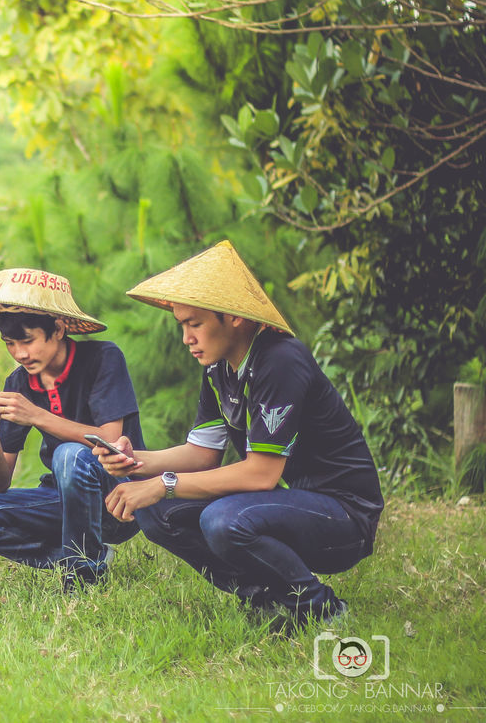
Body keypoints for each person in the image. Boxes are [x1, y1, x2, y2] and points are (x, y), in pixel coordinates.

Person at [99, 240, 384, 625]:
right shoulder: (218, 369)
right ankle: (265, 598)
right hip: (285, 505)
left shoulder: (280, 359)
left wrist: (162, 482)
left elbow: (261, 474)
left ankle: (323, 610)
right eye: (181, 325)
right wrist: (137, 463)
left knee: (222, 520)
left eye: (194, 323)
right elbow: (201, 454)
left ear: (234, 317)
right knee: (155, 510)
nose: (186, 338)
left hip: (343, 517)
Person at [0, 268, 143, 587]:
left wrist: (35, 415)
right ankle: (80, 558)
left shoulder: (103, 358)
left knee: (69, 455)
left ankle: (82, 580)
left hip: (119, 496)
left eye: (28, 340)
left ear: (59, 329)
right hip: (61, 500)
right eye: (10, 343)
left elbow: (110, 440)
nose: (20, 353)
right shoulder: (18, 382)